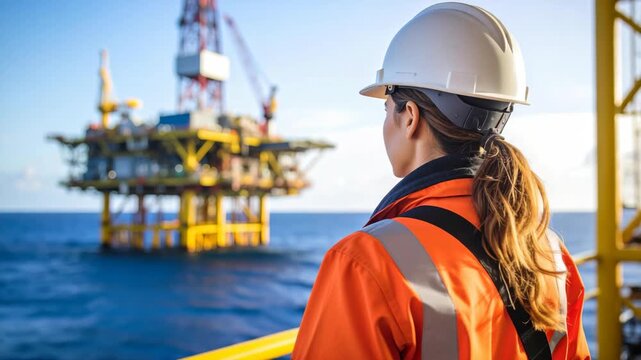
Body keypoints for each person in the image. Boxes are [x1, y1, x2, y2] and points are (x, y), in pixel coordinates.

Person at [292, 3, 590, 359]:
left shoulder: (365, 263)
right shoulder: (548, 249)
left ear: (410, 118)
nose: (385, 122)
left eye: (386, 109)